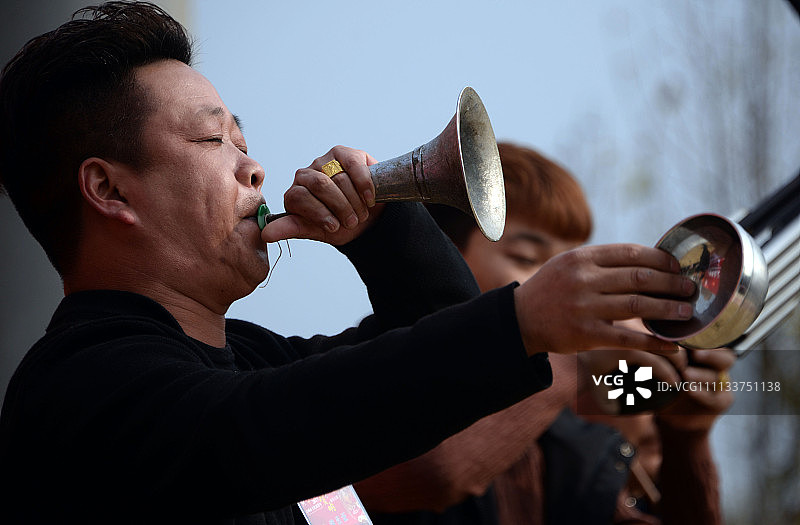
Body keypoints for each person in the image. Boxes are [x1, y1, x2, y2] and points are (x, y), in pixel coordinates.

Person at [0, 3, 698, 524]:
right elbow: (272, 421)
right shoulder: (78, 382)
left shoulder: (245, 357)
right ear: (109, 189)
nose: (254, 167)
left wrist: (383, 227)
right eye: (213, 139)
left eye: (243, 137)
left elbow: (435, 355)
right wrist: (526, 320)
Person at [355, 143, 734, 525]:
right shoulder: (358, 366)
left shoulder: (560, 428)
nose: (567, 284)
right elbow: (432, 472)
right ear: (441, 256)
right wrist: (576, 363)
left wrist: (687, 436)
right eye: (527, 258)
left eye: (571, 263)